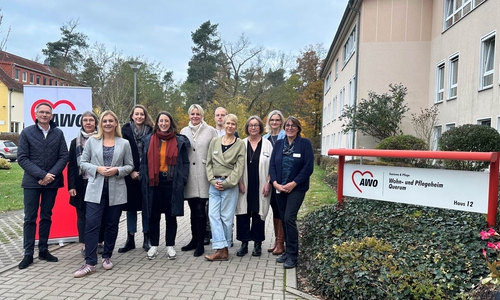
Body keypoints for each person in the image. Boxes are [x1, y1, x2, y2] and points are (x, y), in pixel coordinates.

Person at [74, 110, 134, 278]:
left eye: (110, 121)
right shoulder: (92, 142)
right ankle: (90, 262)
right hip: (95, 189)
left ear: (116, 123)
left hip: (116, 189)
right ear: (100, 124)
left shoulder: (124, 143)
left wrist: (117, 170)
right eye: (104, 121)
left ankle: (107, 256)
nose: (107, 123)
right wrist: (98, 169)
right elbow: (83, 163)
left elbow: (130, 166)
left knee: (111, 224)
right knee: (91, 224)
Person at [17, 102, 69, 270]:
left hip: (51, 182)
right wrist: (42, 175)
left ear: (51, 116)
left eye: (48, 112)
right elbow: (22, 158)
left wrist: (49, 176)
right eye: (42, 112)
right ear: (36, 114)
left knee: (46, 216)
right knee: (30, 218)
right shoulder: (27, 133)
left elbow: (63, 157)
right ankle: (28, 254)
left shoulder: (58, 133)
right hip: (32, 183)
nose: (45, 115)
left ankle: (44, 250)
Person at [140, 111, 190, 260]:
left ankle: (170, 246)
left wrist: (183, 179)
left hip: (171, 183)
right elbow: (143, 163)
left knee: (171, 216)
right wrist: (143, 178)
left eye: (166, 121)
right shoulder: (148, 139)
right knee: (153, 216)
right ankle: (154, 245)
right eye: (161, 121)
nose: (163, 124)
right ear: (157, 122)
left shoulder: (178, 141)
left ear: (170, 123)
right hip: (153, 183)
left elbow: (185, 163)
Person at [269, 116, 314, 269]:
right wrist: (275, 183)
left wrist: (293, 184)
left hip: (296, 187)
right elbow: (272, 166)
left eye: (293, 125)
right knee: (283, 217)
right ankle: (287, 252)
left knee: (289, 218)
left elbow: (308, 168)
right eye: (287, 125)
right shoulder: (279, 144)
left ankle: (293, 255)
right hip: (280, 188)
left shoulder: (305, 144)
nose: (289, 128)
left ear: (298, 128)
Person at [205, 114, 245, 261]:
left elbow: (239, 168)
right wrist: (211, 180)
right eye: (228, 123)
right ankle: (222, 248)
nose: (230, 126)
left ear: (236, 126)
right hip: (214, 184)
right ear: (224, 124)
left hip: (229, 185)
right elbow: (208, 163)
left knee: (226, 218)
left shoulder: (240, 144)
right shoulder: (214, 142)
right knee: (213, 215)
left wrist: (227, 182)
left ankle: (223, 249)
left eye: (233, 124)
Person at [180, 104, 217, 257]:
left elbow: (216, 151)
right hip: (189, 176)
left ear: (202, 115)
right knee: (193, 209)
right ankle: (194, 239)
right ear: (189, 115)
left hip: (204, 174)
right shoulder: (184, 131)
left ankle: (201, 243)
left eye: (198, 114)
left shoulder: (210, 131)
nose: (195, 116)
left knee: (201, 210)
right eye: (192, 114)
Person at [68, 111, 105, 257]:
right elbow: (71, 165)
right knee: (82, 215)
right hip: (81, 183)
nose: (88, 123)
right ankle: (84, 245)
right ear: (82, 123)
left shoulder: (102, 139)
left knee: (100, 214)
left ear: (96, 123)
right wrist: (71, 185)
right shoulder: (74, 142)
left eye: (91, 120)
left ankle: (99, 243)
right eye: (85, 120)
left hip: (98, 181)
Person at [119, 105, 154, 253]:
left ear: (145, 116)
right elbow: (120, 153)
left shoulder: (152, 131)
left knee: (146, 207)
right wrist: (131, 171)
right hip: (129, 174)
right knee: (131, 209)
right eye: (136, 114)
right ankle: (130, 239)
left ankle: (147, 238)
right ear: (132, 116)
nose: (139, 116)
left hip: (147, 174)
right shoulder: (124, 131)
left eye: (142, 114)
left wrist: (144, 171)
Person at [235, 116, 272, 257]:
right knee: (243, 214)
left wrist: (269, 182)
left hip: (261, 184)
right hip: (244, 184)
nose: (253, 127)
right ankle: (244, 244)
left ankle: (257, 244)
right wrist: (239, 182)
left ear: (260, 127)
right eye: (251, 125)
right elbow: (236, 165)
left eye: (256, 125)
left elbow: (272, 167)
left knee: (258, 214)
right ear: (247, 127)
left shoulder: (267, 144)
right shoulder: (241, 143)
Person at [262, 110, 286, 255]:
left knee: (281, 209)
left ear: (281, 122)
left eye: (277, 120)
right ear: (269, 122)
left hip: (280, 180)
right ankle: (277, 241)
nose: (274, 122)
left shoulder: (285, 136)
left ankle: (281, 243)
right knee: (274, 210)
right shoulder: (265, 138)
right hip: (268, 180)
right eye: (272, 120)